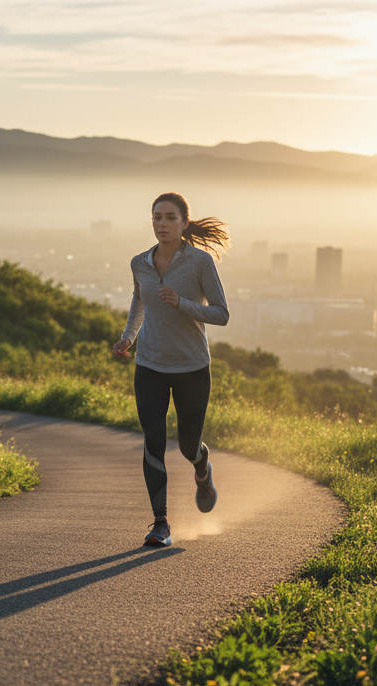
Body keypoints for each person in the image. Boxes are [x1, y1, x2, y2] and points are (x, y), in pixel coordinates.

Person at [111, 192, 230, 547]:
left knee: (188, 445)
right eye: (156, 217)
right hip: (149, 364)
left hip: (192, 366)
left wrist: (182, 303)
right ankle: (160, 523)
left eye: (169, 217)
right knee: (154, 441)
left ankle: (202, 469)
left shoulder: (200, 263)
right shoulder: (139, 263)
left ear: (184, 223)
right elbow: (139, 300)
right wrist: (128, 336)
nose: (161, 224)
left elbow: (222, 314)